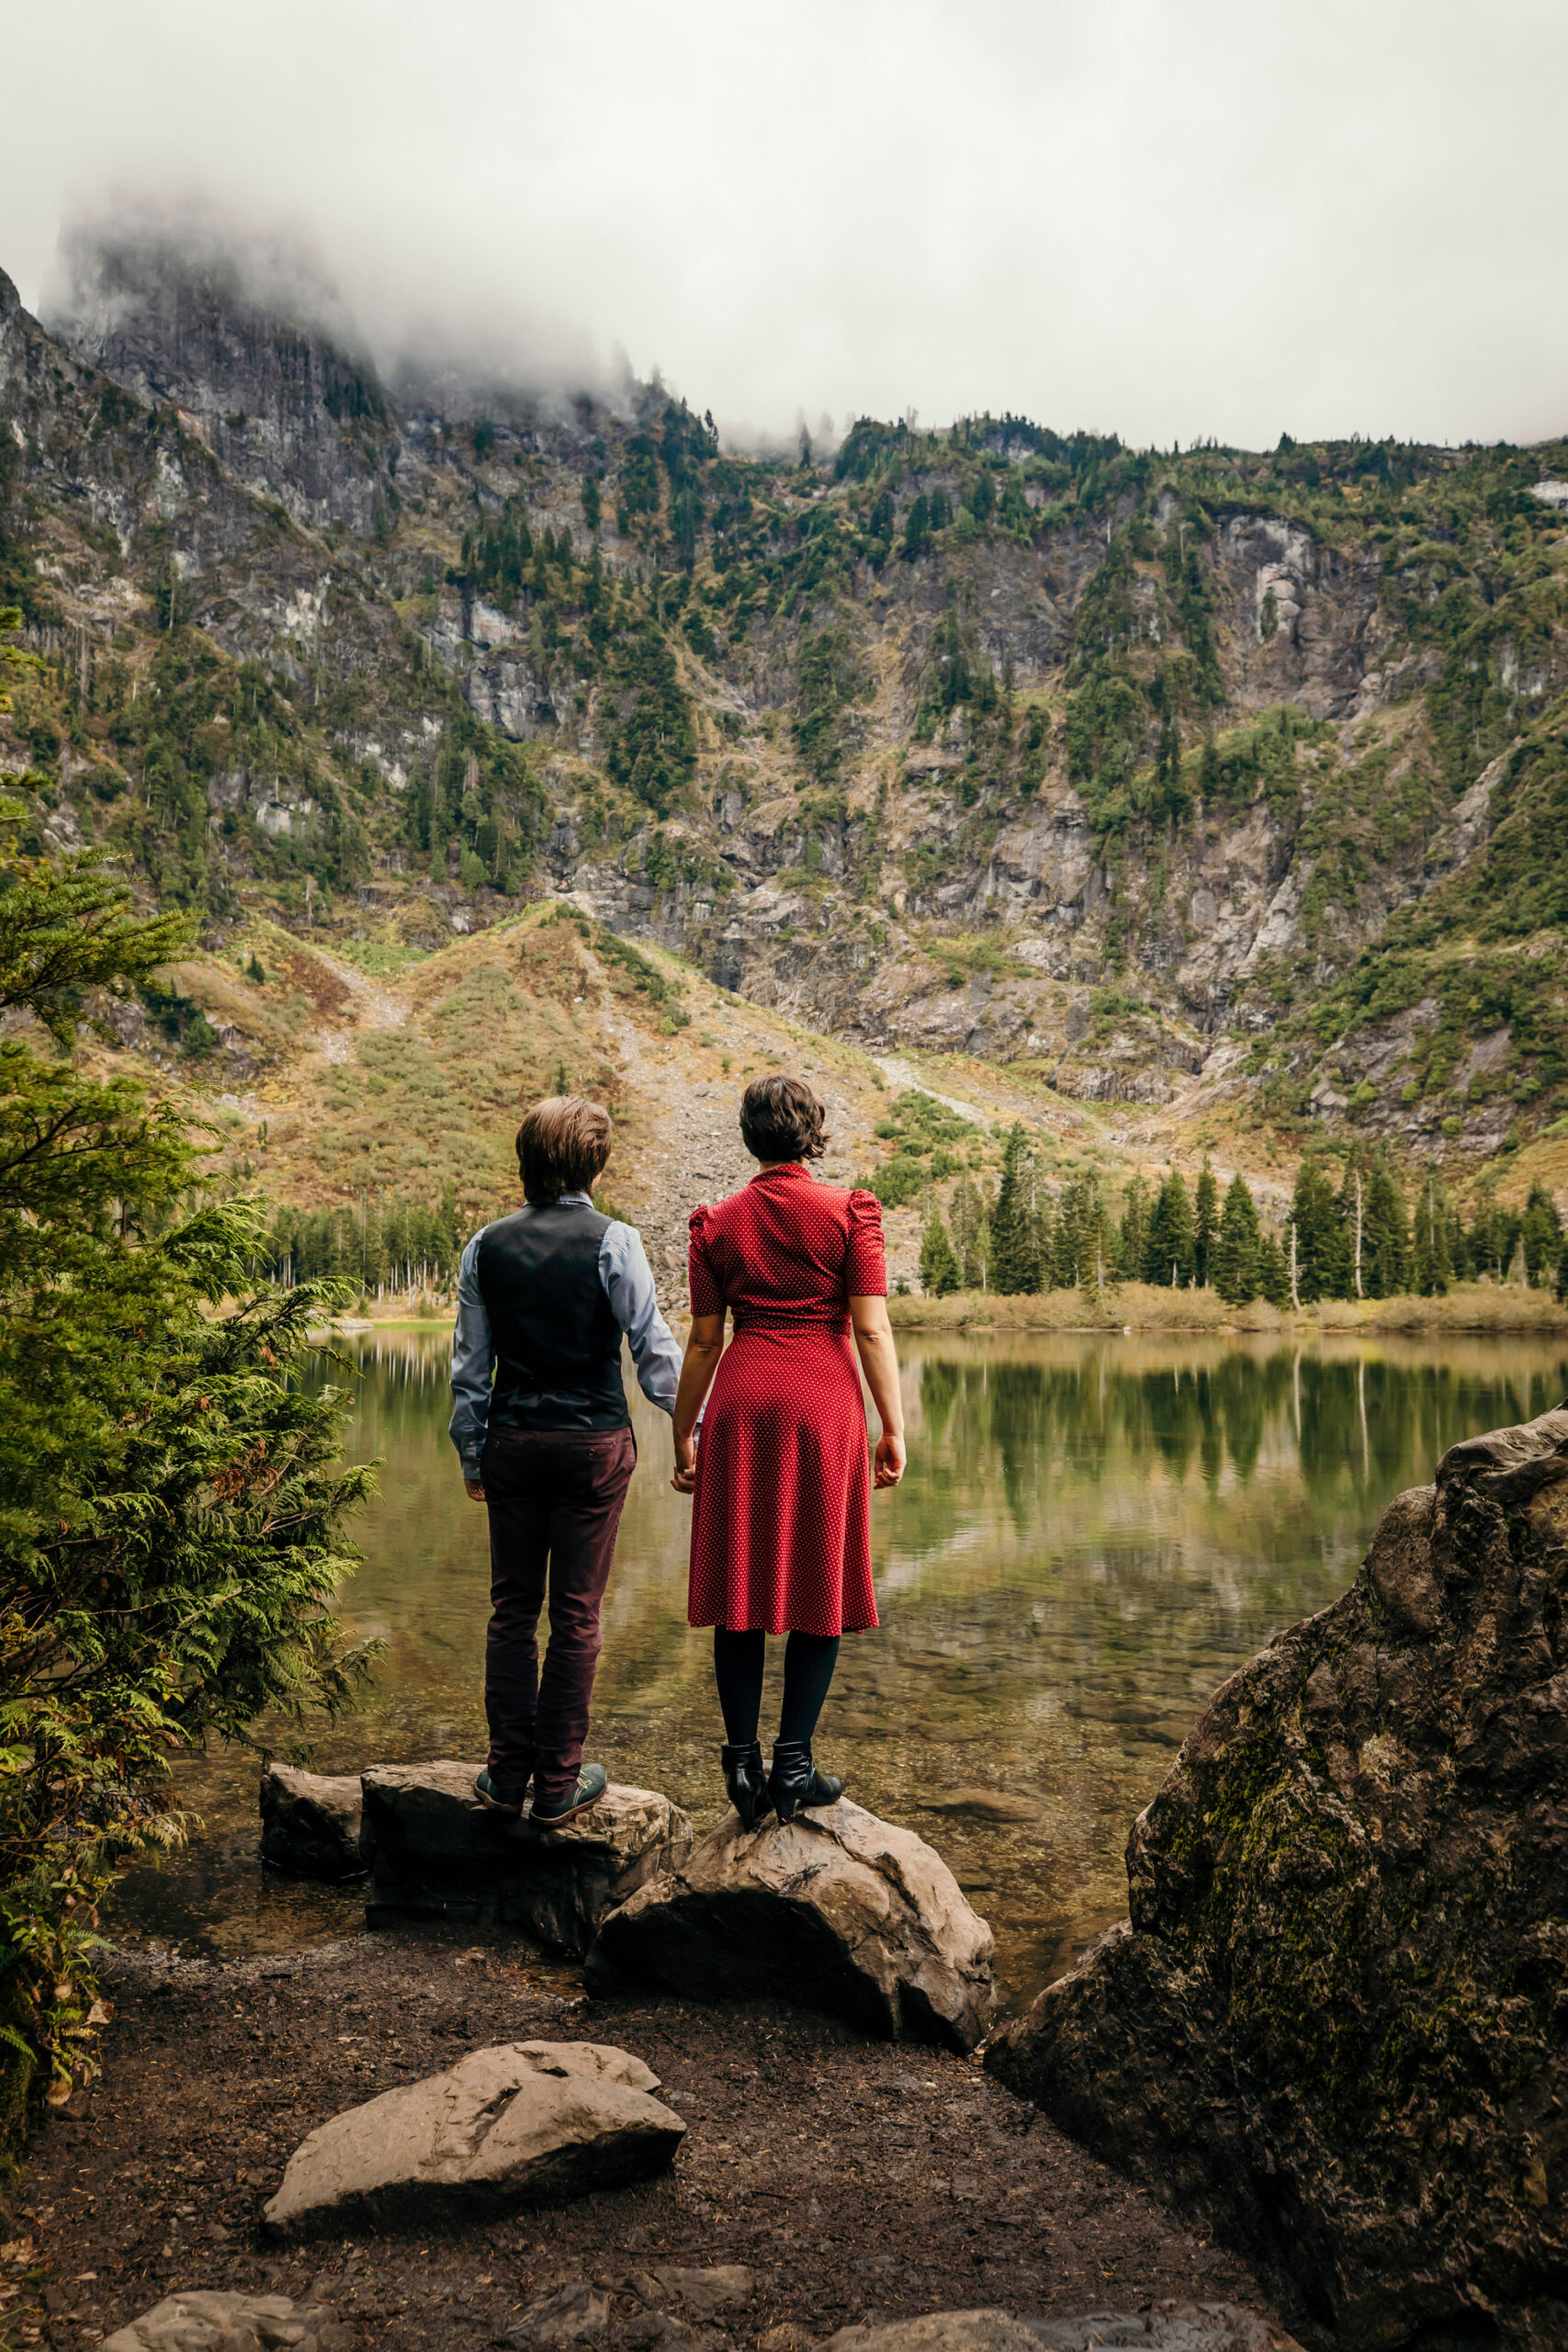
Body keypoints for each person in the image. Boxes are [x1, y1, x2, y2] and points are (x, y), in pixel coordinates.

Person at [671, 1074, 906, 1829]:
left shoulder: (716, 1224)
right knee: (820, 1577)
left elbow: (706, 1340)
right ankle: (794, 1764)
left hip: (740, 1403)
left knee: (739, 1579)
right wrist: (892, 1426)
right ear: (812, 1135)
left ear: (749, 1137)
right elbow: (869, 1329)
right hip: (821, 1404)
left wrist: (684, 1428)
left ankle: (741, 1766)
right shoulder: (849, 1213)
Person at [449, 1094, 681, 1825]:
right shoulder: (616, 1242)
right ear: (596, 1162)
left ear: (526, 1161)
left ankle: (504, 1774)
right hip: (591, 1447)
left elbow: (469, 1369)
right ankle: (558, 1785)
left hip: (512, 1445)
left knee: (511, 1611)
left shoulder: (483, 1246)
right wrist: (703, 1426)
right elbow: (654, 1357)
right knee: (577, 1614)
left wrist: (472, 1453)